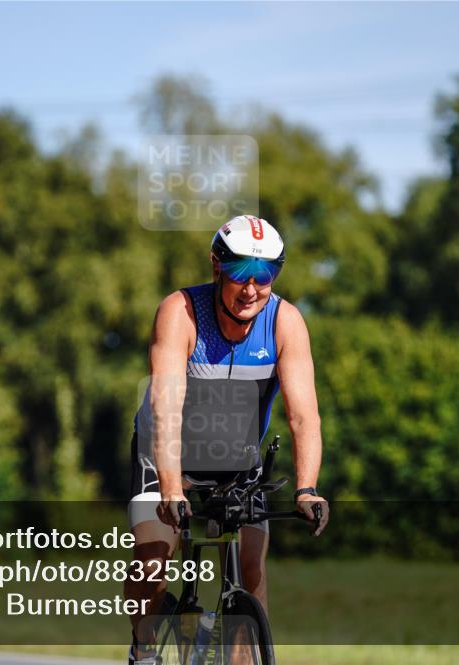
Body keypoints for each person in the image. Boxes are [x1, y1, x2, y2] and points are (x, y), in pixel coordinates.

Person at [124, 215, 329, 665]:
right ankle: (143, 647)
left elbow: (303, 416)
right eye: (240, 274)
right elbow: (166, 408)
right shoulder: (179, 313)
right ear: (217, 268)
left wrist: (306, 488)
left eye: (265, 276)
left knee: (251, 569)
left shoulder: (285, 322)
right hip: (165, 454)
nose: (252, 289)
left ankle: (240, 654)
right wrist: (173, 489)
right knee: (154, 558)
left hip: (238, 460)